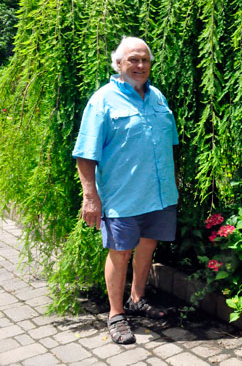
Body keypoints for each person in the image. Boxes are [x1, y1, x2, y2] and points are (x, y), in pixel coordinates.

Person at [72, 36, 179, 345]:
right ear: (117, 63)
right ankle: (116, 314)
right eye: (133, 59)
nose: (140, 65)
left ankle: (137, 298)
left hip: (159, 195)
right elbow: (85, 152)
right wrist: (90, 196)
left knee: (147, 248)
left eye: (145, 59)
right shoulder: (103, 100)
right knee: (120, 253)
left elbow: (168, 142)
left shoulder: (157, 97)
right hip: (123, 197)